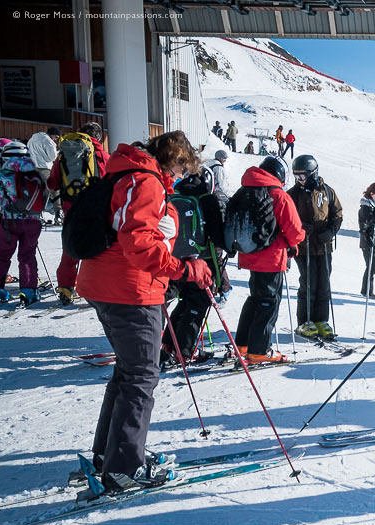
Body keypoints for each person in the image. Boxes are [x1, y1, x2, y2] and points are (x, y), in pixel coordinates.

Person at [77, 131, 214, 493]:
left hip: (107, 284)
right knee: (140, 377)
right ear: (176, 159)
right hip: (129, 290)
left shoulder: (127, 171)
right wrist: (185, 270)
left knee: (129, 373)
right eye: (184, 168)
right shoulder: (147, 180)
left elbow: (135, 233)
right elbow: (137, 244)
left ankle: (109, 456)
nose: (184, 176)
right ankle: (122, 468)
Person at [233, 156, 305, 363]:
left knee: (255, 298)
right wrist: (293, 242)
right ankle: (259, 350)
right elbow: (294, 230)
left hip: (248, 254)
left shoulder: (245, 190)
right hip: (271, 258)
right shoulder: (278, 195)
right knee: (269, 302)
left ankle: (243, 344)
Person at [161, 165, 229, 368]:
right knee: (198, 302)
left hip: (176, 257)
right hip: (203, 259)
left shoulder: (175, 194)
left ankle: (168, 345)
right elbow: (217, 234)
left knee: (184, 300)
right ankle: (183, 350)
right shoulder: (208, 198)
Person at [48, 122, 109, 305]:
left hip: (71, 207)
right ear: (99, 138)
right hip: (97, 208)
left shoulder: (64, 155)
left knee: (70, 249)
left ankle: (66, 289)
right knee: (98, 250)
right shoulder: (102, 155)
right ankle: (96, 289)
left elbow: (52, 183)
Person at [289, 154, 342, 340]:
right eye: (296, 176)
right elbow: (287, 219)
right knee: (308, 283)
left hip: (324, 246)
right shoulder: (293, 194)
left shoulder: (327, 191)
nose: (299, 180)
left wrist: (331, 231)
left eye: (302, 176)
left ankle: (321, 320)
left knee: (324, 284)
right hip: (303, 247)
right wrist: (302, 227)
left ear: (313, 173)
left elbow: (337, 214)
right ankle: (304, 321)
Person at [0, 142, 45, 305]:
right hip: (32, 221)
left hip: (8, 221)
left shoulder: (3, 173)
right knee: (27, 255)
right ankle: (28, 290)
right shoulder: (35, 173)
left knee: (2, 255)